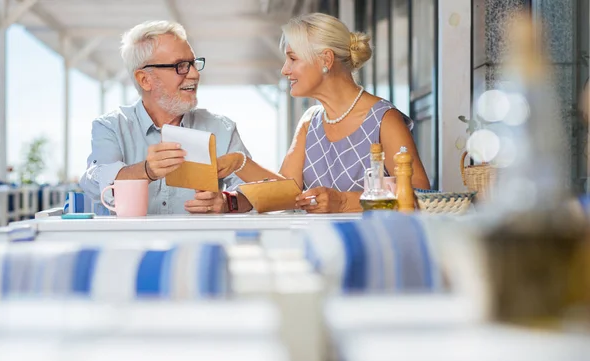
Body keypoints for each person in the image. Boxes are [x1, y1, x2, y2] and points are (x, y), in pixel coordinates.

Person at [216, 13, 430, 213]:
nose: (284, 69)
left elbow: (419, 194)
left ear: (326, 60)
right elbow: (286, 195)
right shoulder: (310, 121)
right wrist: (239, 162)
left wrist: (344, 201)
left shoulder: (384, 118)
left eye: (293, 58)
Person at [79, 20, 253, 214]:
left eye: (193, 64)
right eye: (181, 66)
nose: (194, 74)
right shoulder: (110, 126)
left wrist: (228, 202)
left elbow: (255, 192)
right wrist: (146, 170)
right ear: (145, 80)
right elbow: (94, 184)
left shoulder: (222, 129)